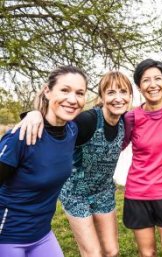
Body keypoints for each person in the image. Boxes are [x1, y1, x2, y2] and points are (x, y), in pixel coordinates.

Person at [11, 71, 133, 257]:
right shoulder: (88, 121)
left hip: (104, 191)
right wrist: (34, 113)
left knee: (112, 250)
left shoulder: (126, 121)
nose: (118, 98)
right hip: (76, 194)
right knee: (92, 253)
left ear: (130, 96)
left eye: (123, 92)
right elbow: (55, 125)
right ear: (101, 97)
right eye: (111, 92)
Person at [0, 65, 88, 257]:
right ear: (47, 91)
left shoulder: (71, 130)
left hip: (42, 234)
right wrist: (32, 114)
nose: (72, 99)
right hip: (8, 236)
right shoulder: (21, 136)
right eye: (65, 90)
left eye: (80, 93)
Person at [122, 59, 162, 257]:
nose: (153, 84)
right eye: (146, 80)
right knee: (147, 253)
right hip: (137, 194)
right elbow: (114, 145)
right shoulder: (131, 117)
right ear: (139, 87)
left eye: (158, 78)